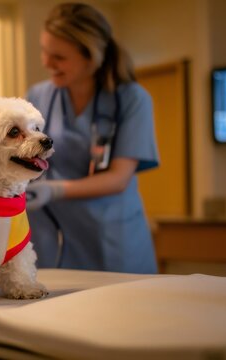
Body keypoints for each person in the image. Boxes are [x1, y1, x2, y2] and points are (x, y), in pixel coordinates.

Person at [26, 2, 159, 273]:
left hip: (110, 235)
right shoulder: (39, 96)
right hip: (51, 232)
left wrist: (54, 190)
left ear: (91, 56)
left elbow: (119, 178)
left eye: (59, 57)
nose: (46, 63)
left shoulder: (131, 100)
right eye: (44, 51)